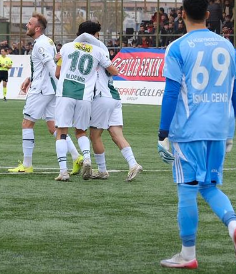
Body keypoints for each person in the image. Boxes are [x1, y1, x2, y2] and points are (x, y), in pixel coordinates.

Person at [157, 0, 236, 269]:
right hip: (219, 128)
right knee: (209, 186)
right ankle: (234, 226)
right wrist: (229, 128)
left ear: (181, 14)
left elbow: (171, 92)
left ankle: (188, 255)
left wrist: (163, 132)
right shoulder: (227, 46)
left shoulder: (177, 47)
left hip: (189, 129)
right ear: (208, 15)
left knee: (187, 188)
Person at [9, 14, 83, 176]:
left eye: (29, 24)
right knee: (53, 127)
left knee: (27, 124)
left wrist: (59, 79)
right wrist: (29, 78)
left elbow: (50, 65)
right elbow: (45, 65)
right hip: (51, 89)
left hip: (41, 90)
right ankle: (77, 156)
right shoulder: (47, 41)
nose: (26, 26)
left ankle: (27, 165)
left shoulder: (40, 45)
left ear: (37, 28)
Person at [53, 21, 118, 181]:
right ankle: (87, 158)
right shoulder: (98, 51)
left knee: (61, 131)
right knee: (81, 131)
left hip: (66, 92)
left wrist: (60, 63)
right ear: (93, 35)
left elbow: (57, 74)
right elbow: (114, 71)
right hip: (85, 96)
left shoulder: (66, 47)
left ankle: (63, 172)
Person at [73, 32, 142, 181]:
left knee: (94, 136)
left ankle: (102, 170)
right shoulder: (104, 55)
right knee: (117, 134)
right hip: (115, 97)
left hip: (103, 98)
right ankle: (133, 163)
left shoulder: (92, 57)